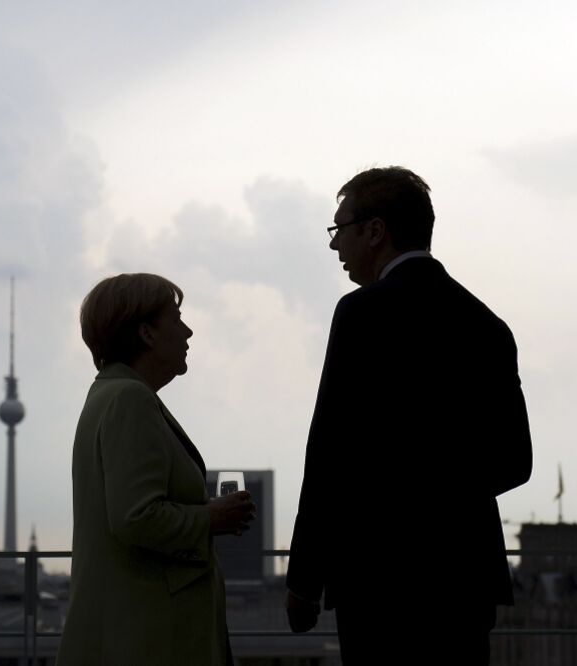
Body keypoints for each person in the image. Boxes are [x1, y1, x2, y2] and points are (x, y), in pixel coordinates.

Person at [285, 167, 533, 663]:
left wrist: (303, 579)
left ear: (375, 231)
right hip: (464, 578)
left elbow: (329, 452)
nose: (335, 246)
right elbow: (515, 461)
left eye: (340, 230)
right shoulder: (488, 325)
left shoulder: (360, 314)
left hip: (376, 577)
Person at [57, 273, 256, 666]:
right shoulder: (130, 399)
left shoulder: (109, 394)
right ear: (147, 333)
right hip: (149, 636)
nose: (188, 331)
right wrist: (210, 517)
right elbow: (136, 517)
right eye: (177, 318)